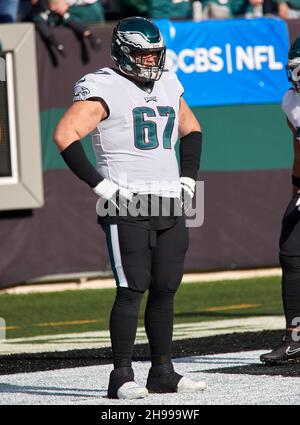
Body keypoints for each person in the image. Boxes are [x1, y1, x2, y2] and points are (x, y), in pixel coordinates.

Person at [53, 16, 206, 399]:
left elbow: (191, 128)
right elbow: (64, 133)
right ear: (123, 51)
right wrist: (100, 184)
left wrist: (188, 176)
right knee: (130, 289)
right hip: (128, 203)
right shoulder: (102, 85)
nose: (151, 62)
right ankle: (120, 375)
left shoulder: (169, 80)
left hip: (169, 198)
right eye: (143, 54)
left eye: (155, 54)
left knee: (166, 288)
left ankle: (163, 371)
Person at [260, 37, 300, 365]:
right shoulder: (290, 101)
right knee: (291, 252)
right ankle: (296, 335)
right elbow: (299, 150)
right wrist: (296, 188)